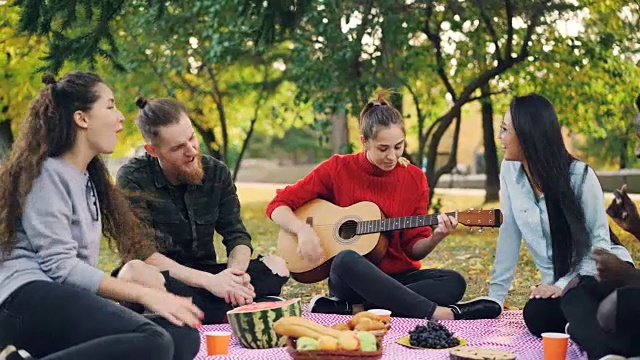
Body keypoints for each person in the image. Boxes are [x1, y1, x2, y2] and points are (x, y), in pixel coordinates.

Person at [0, 72, 202, 360]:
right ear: (82, 119)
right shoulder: (48, 173)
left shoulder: (87, 178)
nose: (121, 117)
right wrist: (145, 294)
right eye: (110, 106)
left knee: (181, 335)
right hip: (22, 303)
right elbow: (60, 266)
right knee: (155, 341)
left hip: (61, 304)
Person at [265, 91, 502, 320]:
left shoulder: (414, 178)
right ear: (364, 142)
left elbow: (413, 248)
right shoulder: (337, 169)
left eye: (398, 146)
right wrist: (302, 230)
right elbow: (278, 204)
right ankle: (440, 313)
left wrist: (437, 236)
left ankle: (355, 309)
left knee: (453, 282)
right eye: (383, 148)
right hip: (352, 279)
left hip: (399, 277)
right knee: (346, 258)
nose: (392, 156)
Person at [114, 96, 290, 325]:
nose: (191, 150)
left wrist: (234, 277)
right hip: (167, 279)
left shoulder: (217, 172)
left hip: (212, 279)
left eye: (191, 138)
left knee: (277, 266)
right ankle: (236, 308)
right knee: (134, 272)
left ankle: (202, 310)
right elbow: (143, 254)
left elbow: (236, 234)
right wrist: (210, 283)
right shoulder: (132, 178)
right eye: (178, 147)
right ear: (153, 150)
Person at [487, 93, 634, 360]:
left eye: (506, 130)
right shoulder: (509, 172)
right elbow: (509, 233)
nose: (500, 137)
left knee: (577, 298)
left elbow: (599, 245)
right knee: (536, 314)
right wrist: (494, 298)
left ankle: (603, 353)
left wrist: (565, 284)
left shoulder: (580, 176)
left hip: (600, 274)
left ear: (528, 135)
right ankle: (587, 327)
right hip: (560, 286)